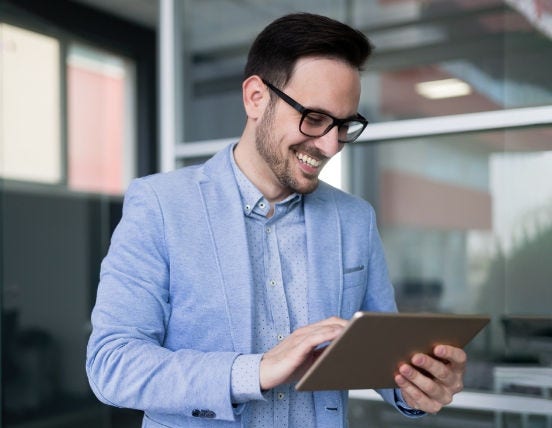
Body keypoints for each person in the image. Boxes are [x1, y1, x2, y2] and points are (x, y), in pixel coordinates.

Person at [86, 12, 466, 428]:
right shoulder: (160, 205)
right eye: (315, 118)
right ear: (255, 97)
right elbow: (113, 364)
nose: (329, 145)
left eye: (343, 126)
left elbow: (380, 356)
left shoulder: (355, 219)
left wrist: (419, 386)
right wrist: (257, 369)